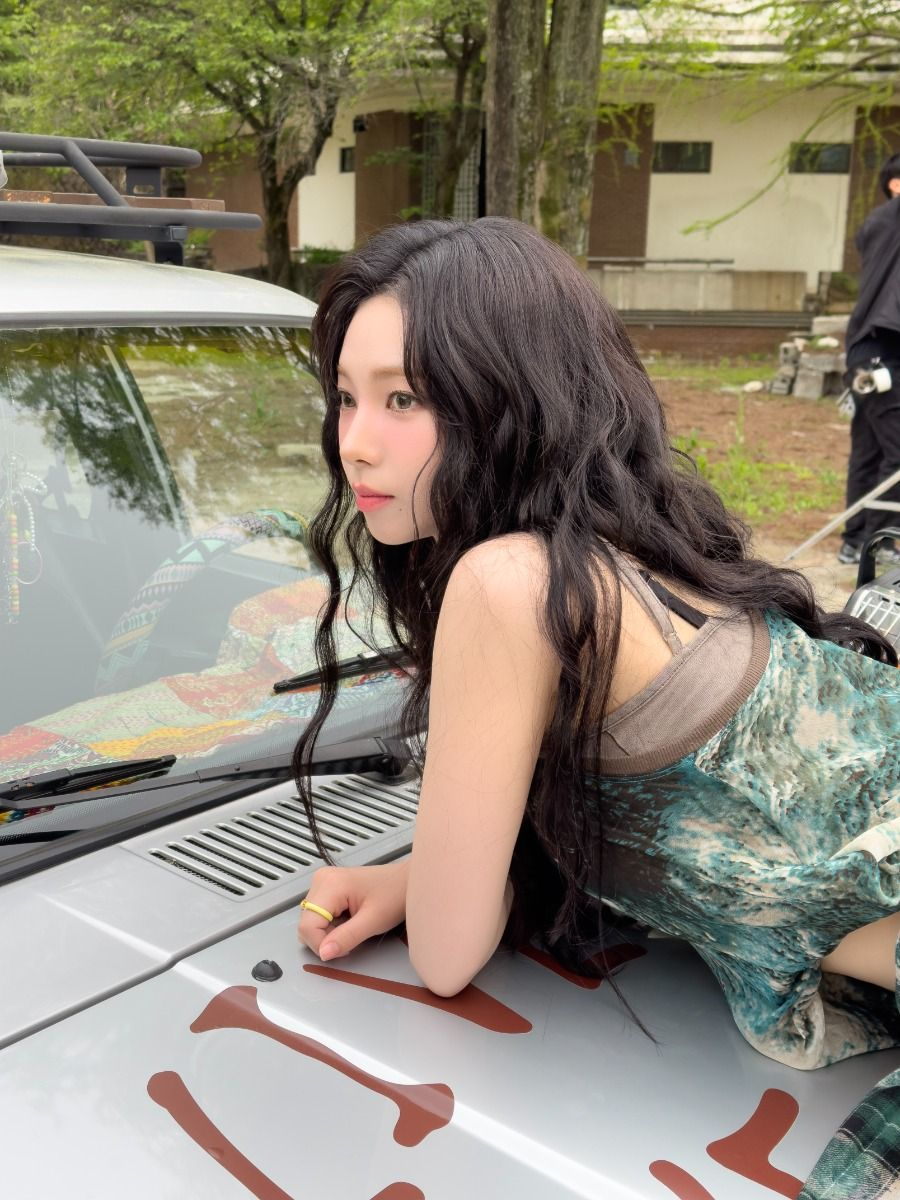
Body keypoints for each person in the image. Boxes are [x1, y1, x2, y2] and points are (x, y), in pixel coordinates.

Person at [293, 218, 900, 1194]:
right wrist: (419, 872)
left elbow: (447, 956)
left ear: (507, 398)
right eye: (345, 397)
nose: (354, 443)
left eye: (403, 398)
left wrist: (438, 887)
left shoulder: (509, 582)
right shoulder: (621, 555)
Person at [839, 152, 900, 566]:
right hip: (881, 352)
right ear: (895, 186)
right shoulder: (887, 221)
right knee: (897, 452)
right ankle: (880, 543)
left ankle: (856, 540)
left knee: (871, 451)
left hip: (871, 351)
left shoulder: (883, 229)